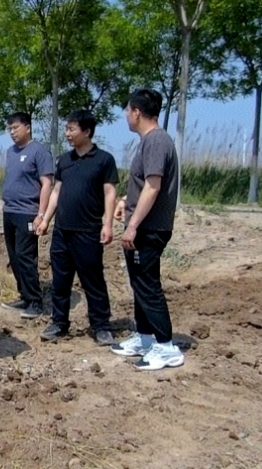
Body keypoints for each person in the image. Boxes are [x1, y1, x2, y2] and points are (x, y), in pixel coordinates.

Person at [109, 89, 185, 370]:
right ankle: (145, 337)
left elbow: (153, 187)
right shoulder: (149, 142)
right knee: (139, 283)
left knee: (148, 285)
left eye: (127, 111)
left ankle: (166, 346)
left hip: (150, 229)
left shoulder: (156, 141)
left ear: (137, 113)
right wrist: (126, 202)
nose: (126, 117)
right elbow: (147, 187)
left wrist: (133, 226)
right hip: (143, 225)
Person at [37, 109, 118, 346]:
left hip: (88, 231)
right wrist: (45, 220)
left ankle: (101, 325)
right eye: (66, 129)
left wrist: (108, 224)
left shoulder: (104, 160)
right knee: (60, 281)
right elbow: (56, 192)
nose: (68, 134)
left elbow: (110, 192)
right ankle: (59, 322)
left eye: (72, 129)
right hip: (62, 232)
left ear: (87, 131)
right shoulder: (64, 160)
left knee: (93, 280)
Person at [0, 112, 54, 320]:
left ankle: (35, 301)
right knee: (14, 257)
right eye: (10, 129)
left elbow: (47, 184)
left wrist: (42, 214)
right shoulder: (10, 152)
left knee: (25, 255)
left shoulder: (39, 152)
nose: (13, 132)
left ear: (27, 127)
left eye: (16, 127)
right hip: (10, 211)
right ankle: (24, 294)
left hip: (28, 213)